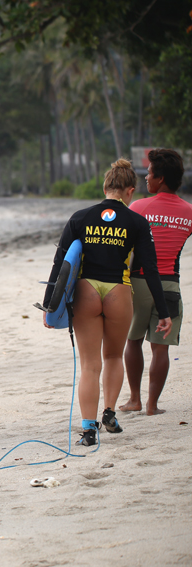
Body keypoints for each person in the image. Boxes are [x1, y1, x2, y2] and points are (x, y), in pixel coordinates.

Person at [42, 159, 171, 447]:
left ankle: (89, 431)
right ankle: (109, 414)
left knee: (90, 364)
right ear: (130, 191)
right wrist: (163, 312)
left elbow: (60, 263)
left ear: (105, 188)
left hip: (86, 291)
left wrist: (50, 306)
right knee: (113, 356)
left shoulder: (80, 218)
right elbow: (150, 269)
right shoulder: (137, 222)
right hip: (118, 292)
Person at [121, 149, 191, 415]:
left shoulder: (139, 207)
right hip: (170, 285)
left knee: (133, 341)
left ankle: (135, 400)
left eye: (149, 174)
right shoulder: (189, 212)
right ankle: (152, 405)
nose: (146, 178)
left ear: (161, 178)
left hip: (139, 284)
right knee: (161, 348)